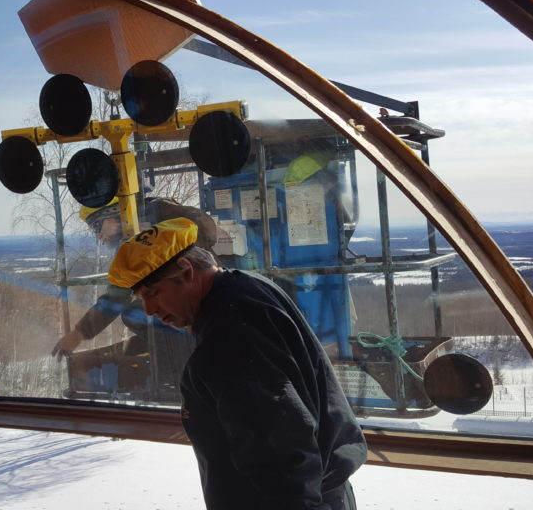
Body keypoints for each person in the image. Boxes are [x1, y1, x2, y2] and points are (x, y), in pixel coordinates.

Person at [107, 218, 367, 510]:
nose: (149, 310)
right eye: (141, 299)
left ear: (187, 271)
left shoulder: (229, 336)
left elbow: (281, 444)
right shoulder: (247, 286)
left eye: (152, 294)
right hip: (324, 492)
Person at [51, 195, 216, 360]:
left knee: (137, 314)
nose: (98, 235)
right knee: (140, 312)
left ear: (115, 213)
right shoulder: (131, 242)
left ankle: (190, 359)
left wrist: (160, 236)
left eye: (97, 226)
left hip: (203, 297)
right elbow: (118, 293)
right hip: (189, 300)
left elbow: (208, 231)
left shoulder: (157, 212)